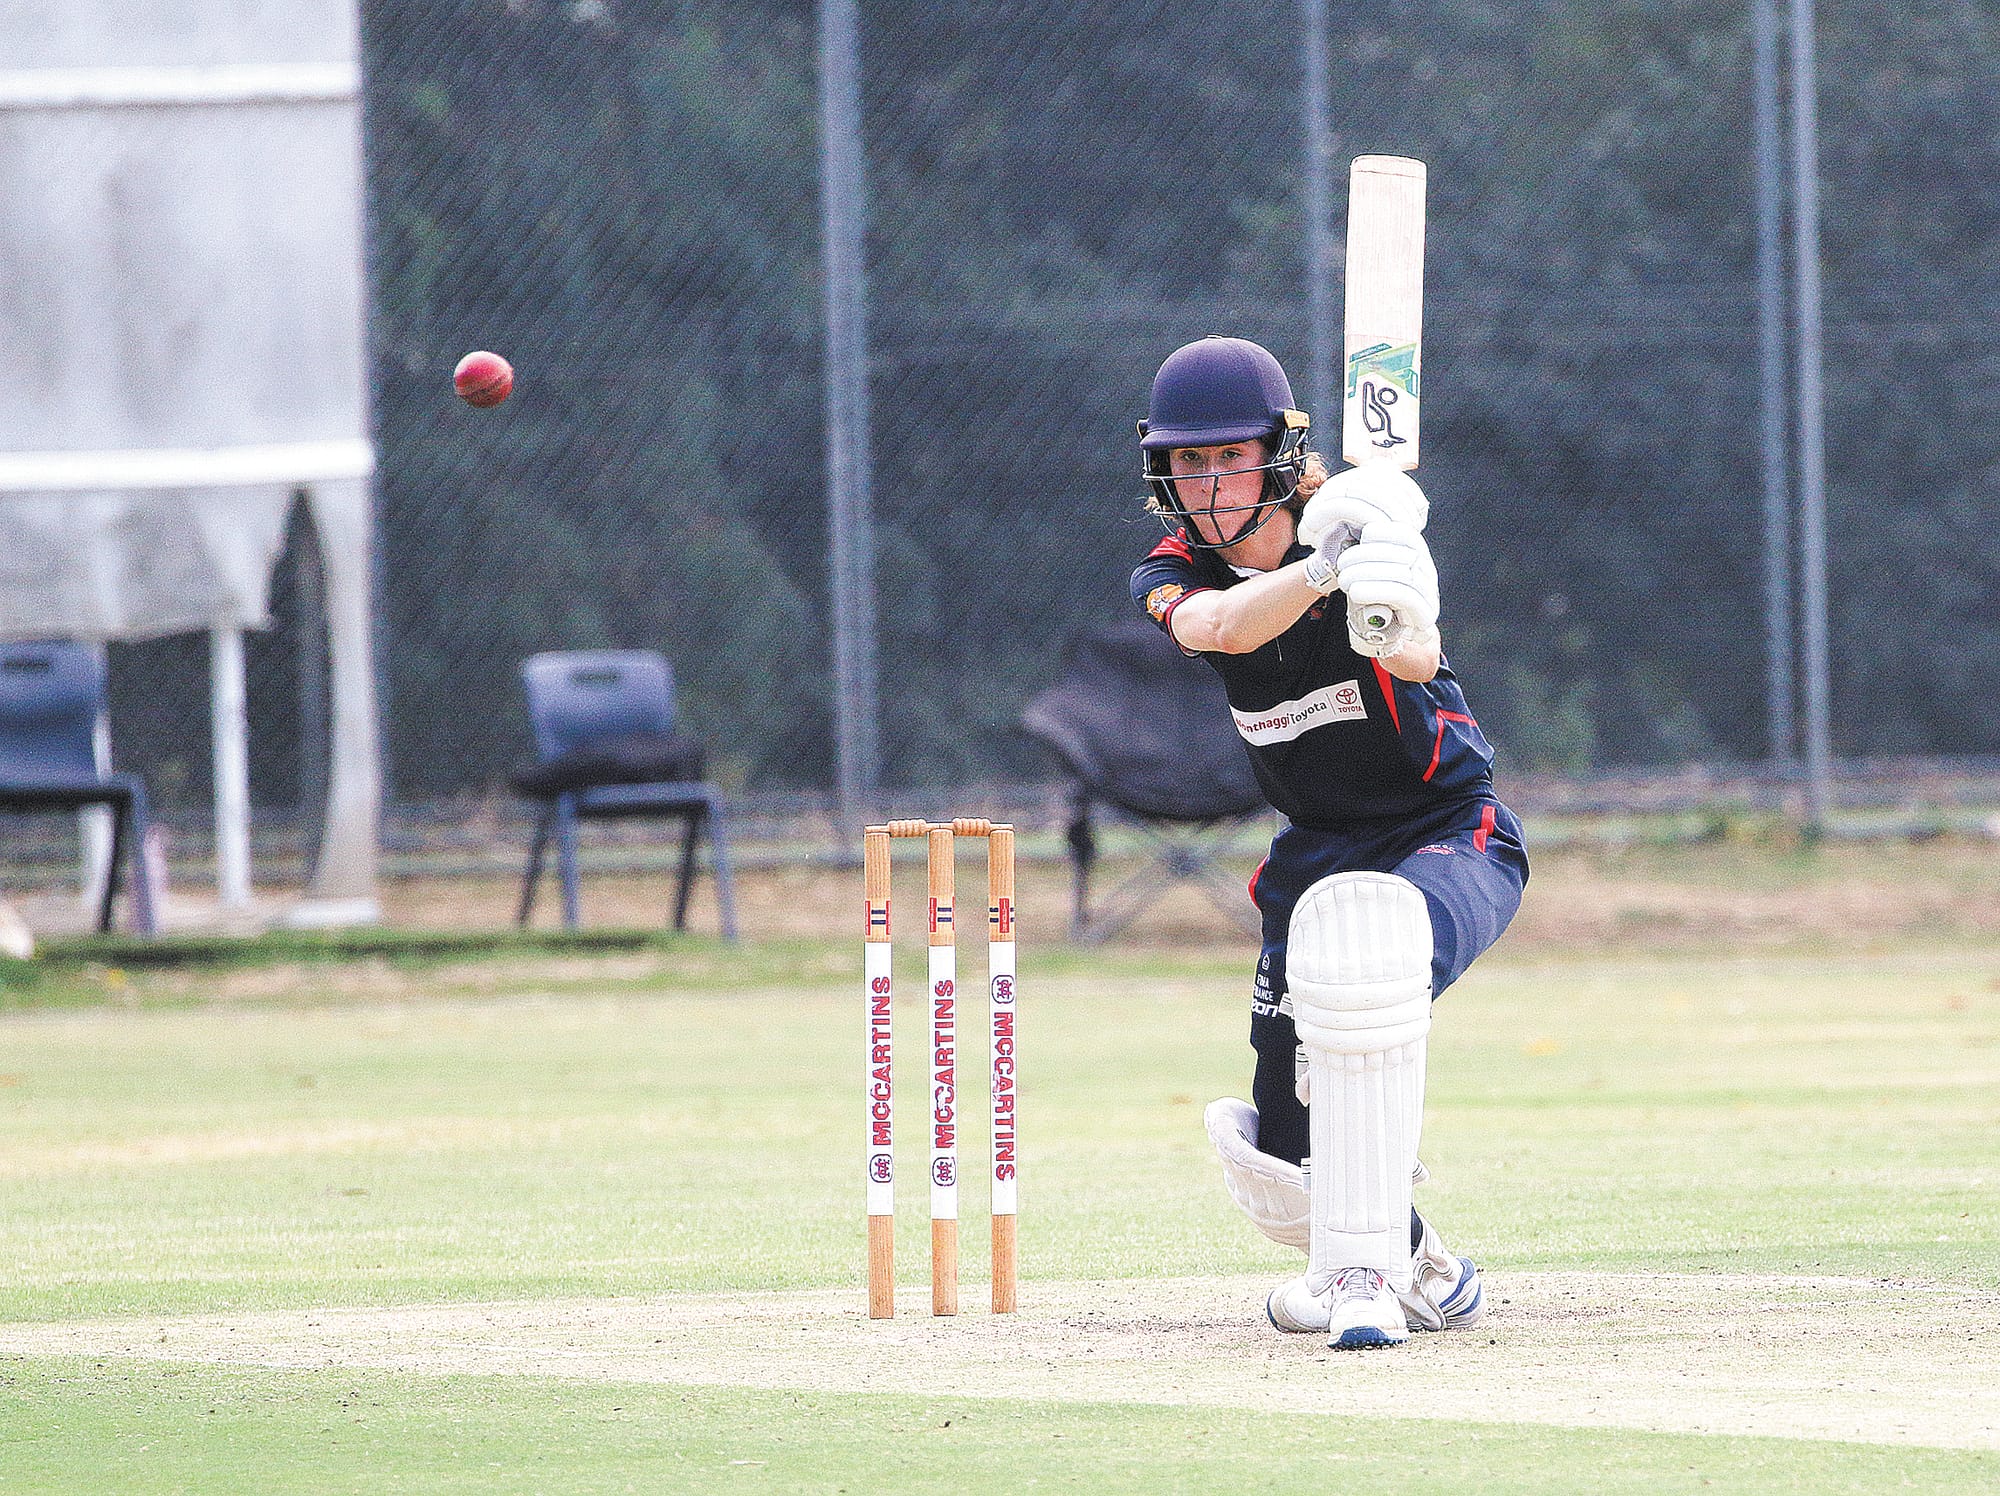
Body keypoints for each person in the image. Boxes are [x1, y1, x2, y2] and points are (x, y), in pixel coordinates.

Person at [1127, 335, 1529, 1350]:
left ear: (1274, 451)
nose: (1208, 483)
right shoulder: (1174, 569)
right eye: (1187, 462)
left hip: (1449, 827)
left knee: (1373, 960)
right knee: (1282, 1141)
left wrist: (1381, 586)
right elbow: (1217, 627)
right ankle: (1418, 1260)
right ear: (1161, 473)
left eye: (1226, 456)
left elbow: (1420, 649)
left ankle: (1364, 1275)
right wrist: (1320, 568)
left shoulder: (1361, 529)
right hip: (1313, 851)